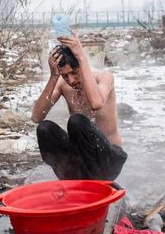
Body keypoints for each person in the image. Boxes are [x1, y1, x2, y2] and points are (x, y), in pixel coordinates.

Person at [31, 33, 127, 181]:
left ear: (82, 65)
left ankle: (93, 185)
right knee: (45, 129)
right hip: (82, 160)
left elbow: (96, 103)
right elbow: (37, 117)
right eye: (65, 76)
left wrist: (81, 56)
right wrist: (54, 76)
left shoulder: (103, 77)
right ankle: (68, 179)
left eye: (74, 73)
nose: (71, 80)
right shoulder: (63, 84)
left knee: (77, 121)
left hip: (109, 159)